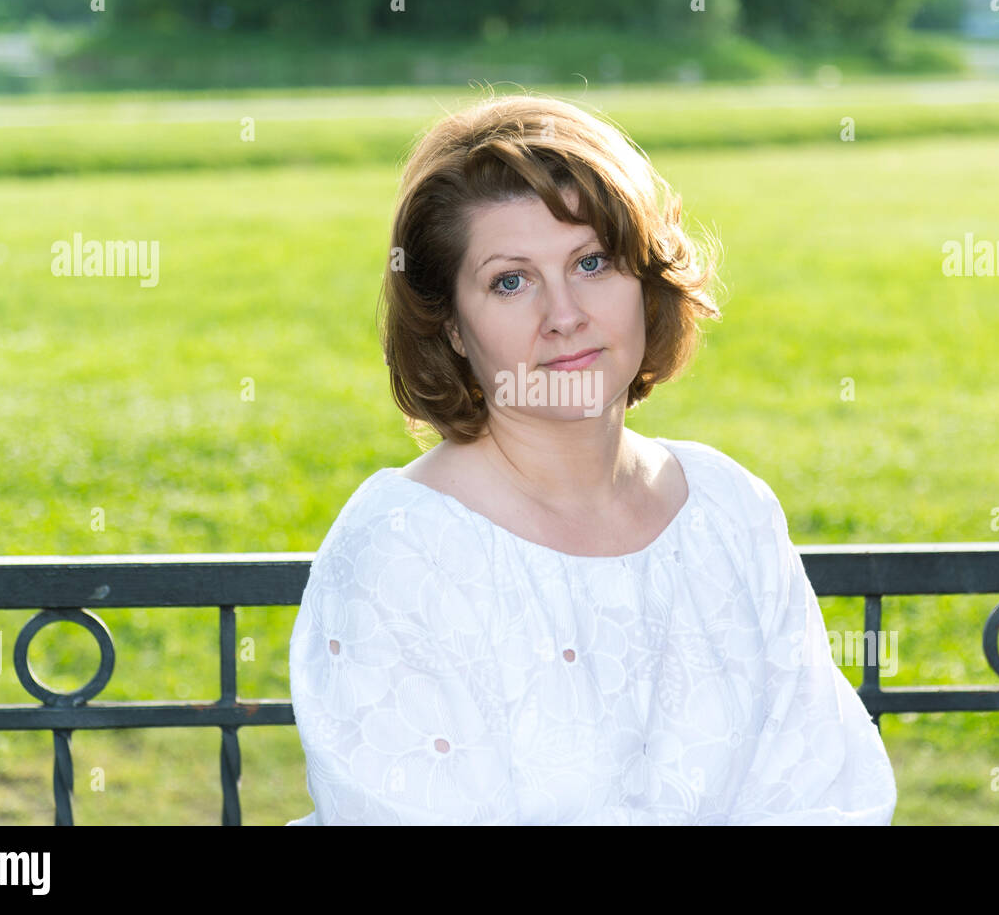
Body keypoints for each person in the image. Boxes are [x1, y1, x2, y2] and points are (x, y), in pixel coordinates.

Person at [287, 92, 897, 824]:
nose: (565, 314)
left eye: (592, 262)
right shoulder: (401, 549)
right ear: (449, 325)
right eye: (510, 280)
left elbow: (820, 794)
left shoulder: (728, 508)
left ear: (645, 279)